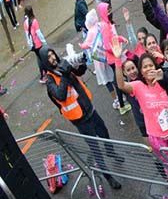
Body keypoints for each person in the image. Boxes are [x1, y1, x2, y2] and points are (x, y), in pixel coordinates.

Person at [111, 40, 168, 199]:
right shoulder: (138, 87)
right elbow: (121, 85)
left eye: (150, 65)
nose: (148, 69)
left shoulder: (162, 82)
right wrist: (118, 60)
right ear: (141, 71)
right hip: (157, 137)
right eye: (144, 67)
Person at [41, 48, 122, 190]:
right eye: (49, 57)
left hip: (90, 110)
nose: (53, 57)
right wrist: (65, 74)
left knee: (104, 133)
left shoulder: (63, 64)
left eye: (53, 53)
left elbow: (79, 72)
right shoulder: (50, 80)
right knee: (95, 148)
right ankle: (109, 177)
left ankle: (111, 151)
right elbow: (60, 95)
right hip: (80, 119)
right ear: (44, 61)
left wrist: (82, 61)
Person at [23, 6, 47, 83]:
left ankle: (43, 74)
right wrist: (44, 41)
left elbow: (27, 34)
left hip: (33, 44)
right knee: (42, 58)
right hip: (38, 43)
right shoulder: (34, 21)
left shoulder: (25, 22)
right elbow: (38, 33)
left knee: (39, 58)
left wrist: (29, 44)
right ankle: (44, 74)